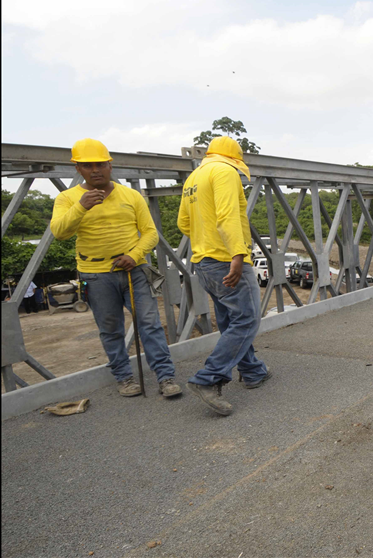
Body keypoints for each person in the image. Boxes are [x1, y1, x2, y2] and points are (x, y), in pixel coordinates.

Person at [50, 138, 181, 398]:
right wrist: (81, 206)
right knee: (110, 328)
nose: (95, 170)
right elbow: (60, 232)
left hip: (134, 270)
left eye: (100, 164)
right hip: (95, 275)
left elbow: (150, 233)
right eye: (87, 166)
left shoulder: (130, 196)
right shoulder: (67, 199)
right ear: (78, 169)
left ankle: (165, 377)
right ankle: (124, 377)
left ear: (111, 165)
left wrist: (134, 254)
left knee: (150, 324)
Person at [177, 136, 270, 416]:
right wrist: (238, 255)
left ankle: (252, 371)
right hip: (226, 260)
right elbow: (228, 216)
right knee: (247, 319)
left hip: (203, 262)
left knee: (231, 320)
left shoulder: (194, 177)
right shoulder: (225, 172)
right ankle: (208, 379)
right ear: (233, 158)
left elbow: (183, 223)